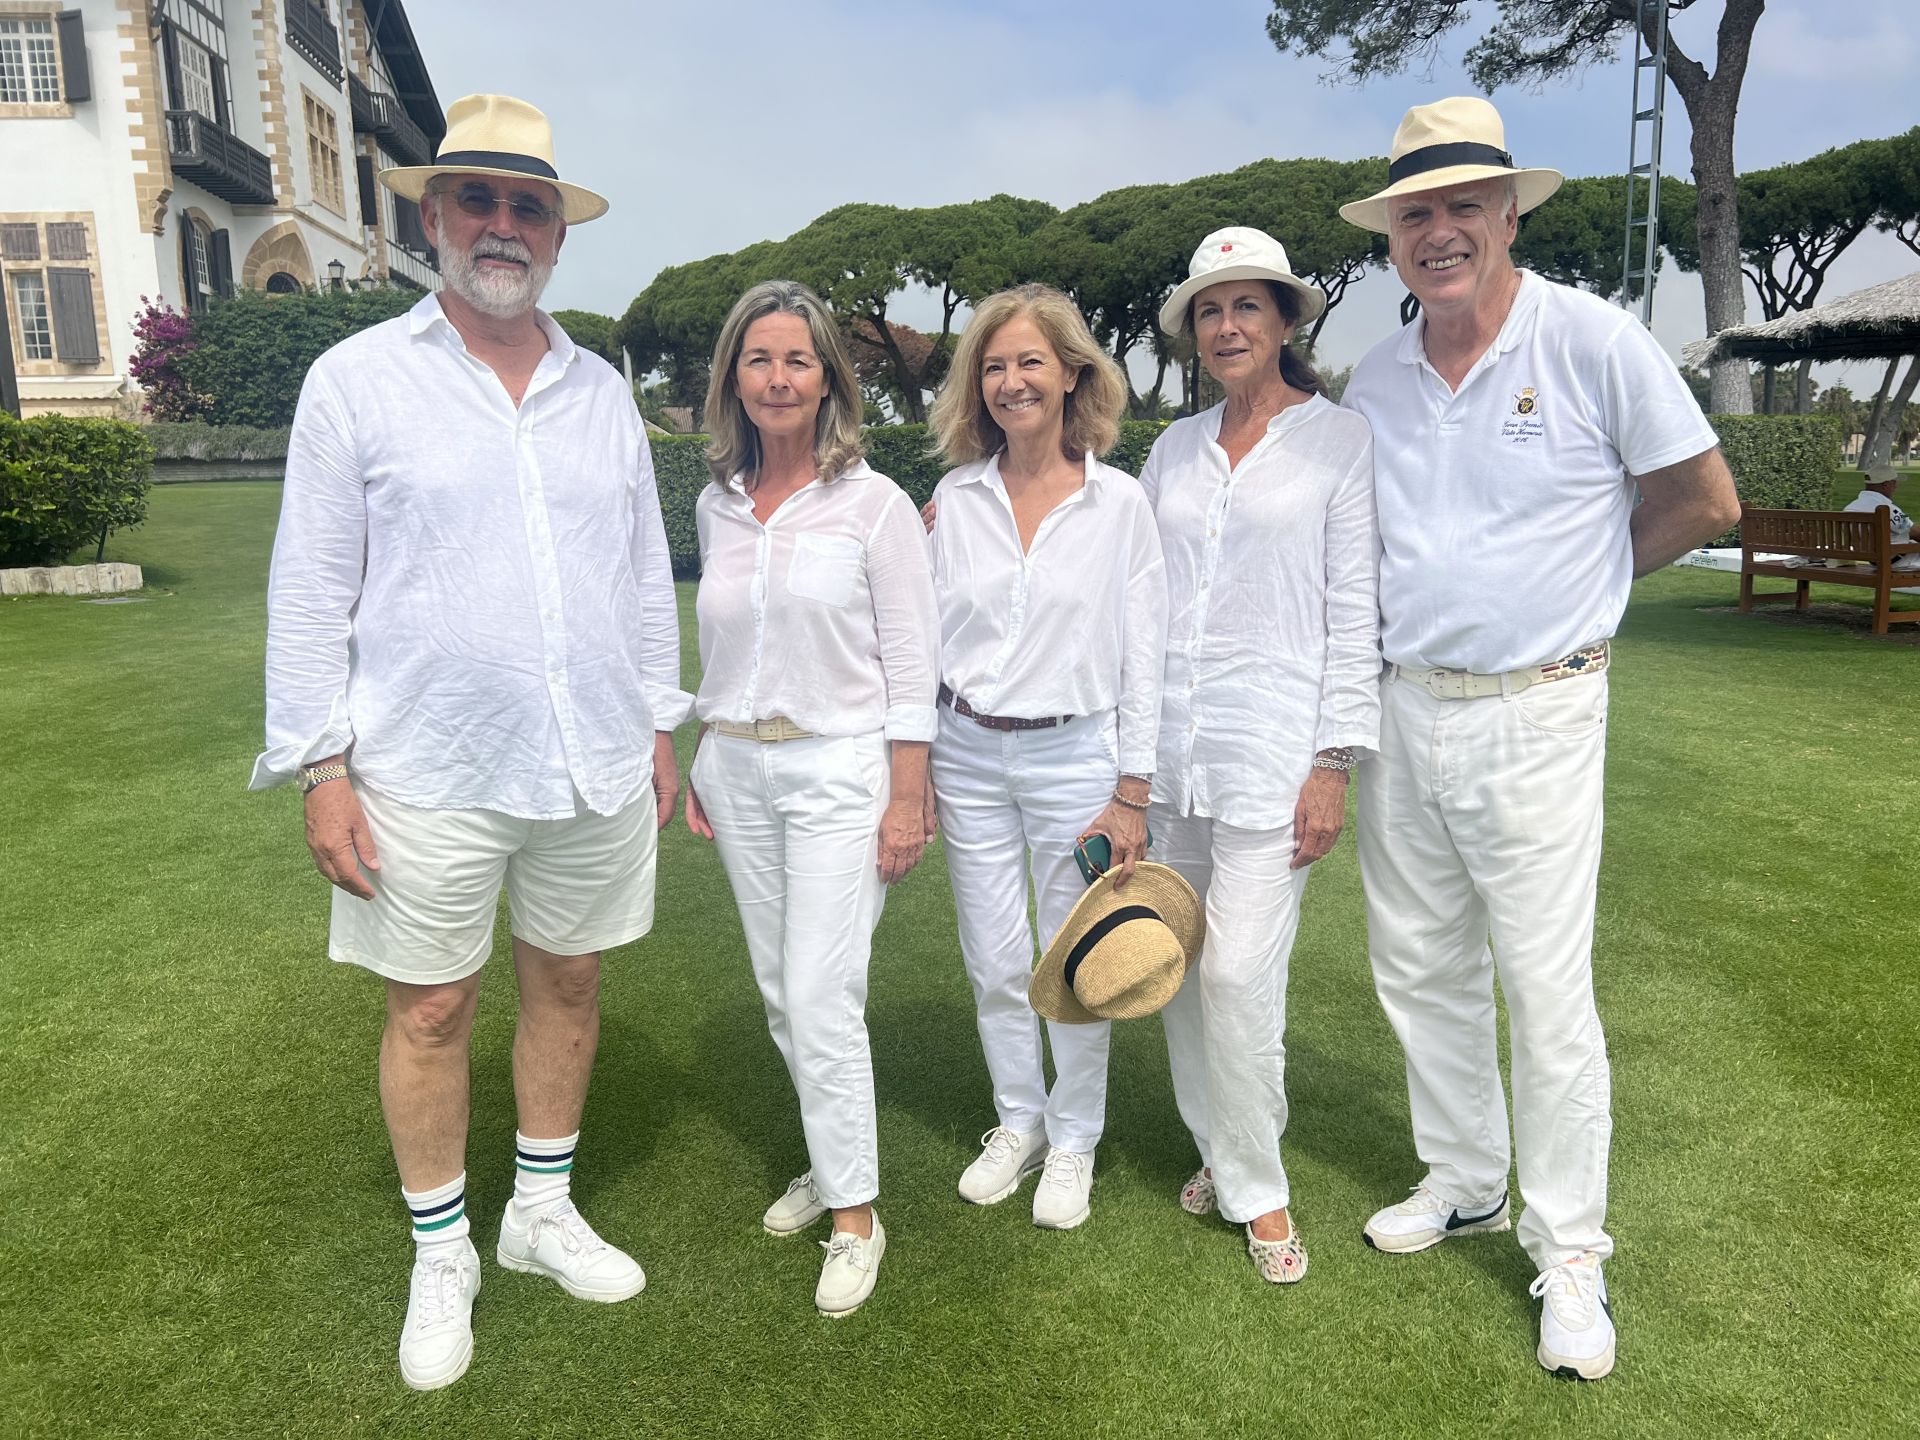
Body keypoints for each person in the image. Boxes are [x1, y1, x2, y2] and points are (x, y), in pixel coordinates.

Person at [250, 96, 688, 1391]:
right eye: (479, 200)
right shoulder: (358, 381)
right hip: (425, 762)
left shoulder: (600, 392)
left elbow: (637, 572)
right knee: (433, 1007)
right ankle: (443, 1247)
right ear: (433, 215)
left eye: (529, 204)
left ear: (555, 234)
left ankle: (539, 1212)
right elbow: (309, 587)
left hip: (592, 757)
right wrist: (322, 768)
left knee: (571, 986)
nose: (504, 225)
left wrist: (659, 724)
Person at [1338, 97, 1741, 1380]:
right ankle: (1464, 1178)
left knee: (1546, 992)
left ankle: (1571, 1251)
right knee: (1418, 970)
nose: (1441, 230)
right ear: (1393, 238)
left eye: (1465, 205)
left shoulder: (1592, 338)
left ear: (1512, 213)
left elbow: (1703, 498)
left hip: (1543, 708)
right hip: (1408, 707)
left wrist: (1585, 592)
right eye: (1418, 213)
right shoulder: (1380, 374)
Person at [683, 279, 939, 1318]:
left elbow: (914, 662)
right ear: (733, 380)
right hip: (737, 768)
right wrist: (707, 748)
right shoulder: (714, 500)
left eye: (798, 359)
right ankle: (833, 1164)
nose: (778, 377)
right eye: (759, 359)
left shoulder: (873, 504)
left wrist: (908, 797)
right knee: (784, 992)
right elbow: (729, 642)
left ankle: (856, 1215)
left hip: (841, 770)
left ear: (829, 378)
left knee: (820, 993)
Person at [1140, 227, 1380, 1285]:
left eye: (1248, 306)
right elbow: (1129, 590)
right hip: (1169, 756)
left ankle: (1259, 1188)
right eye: (1209, 309)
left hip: (1277, 757)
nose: (1227, 325)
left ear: (1286, 321)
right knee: (1182, 968)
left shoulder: (1342, 442)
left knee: (1240, 976)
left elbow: (1355, 609)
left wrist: (1334, 761)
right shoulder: (1170, 450)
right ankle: (1222, 1151)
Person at [922, 284, 1167, 1229]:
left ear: (1073, 373)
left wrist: (1133, 790)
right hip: (969, 754)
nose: (1012, 381)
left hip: (1077, 760)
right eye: (993, 366)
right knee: (992, 960)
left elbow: (1146, 652)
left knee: (1079, 963)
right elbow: (919, 629)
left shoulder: (1120, 505)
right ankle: (1018, 1122)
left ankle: (1074, 1141)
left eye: (1030, 362)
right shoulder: (954, 498)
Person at [1844, 466, 1918, 569]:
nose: (1896, 486)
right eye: (1894, 482)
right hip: (1898, 560)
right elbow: (1914, 532)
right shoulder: (1889, 509)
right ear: (1885, 485)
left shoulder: (1850, 508)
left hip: (1875, 560)